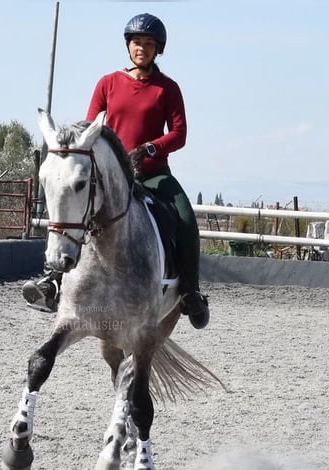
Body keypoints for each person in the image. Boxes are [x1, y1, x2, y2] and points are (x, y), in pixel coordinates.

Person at [23, 12, 210, 329]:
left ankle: (191, 291)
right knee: (77, 208)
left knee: (186, 219)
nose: (142, 48)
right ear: (128, 46)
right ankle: (53, 280)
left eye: (149, 44)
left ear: (157, 50)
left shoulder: (168, 89)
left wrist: (150, 148)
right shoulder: (108, 83)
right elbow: (89, 128)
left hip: (153, 173)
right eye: (137, 42)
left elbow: (179, 133)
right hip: (111, 177)